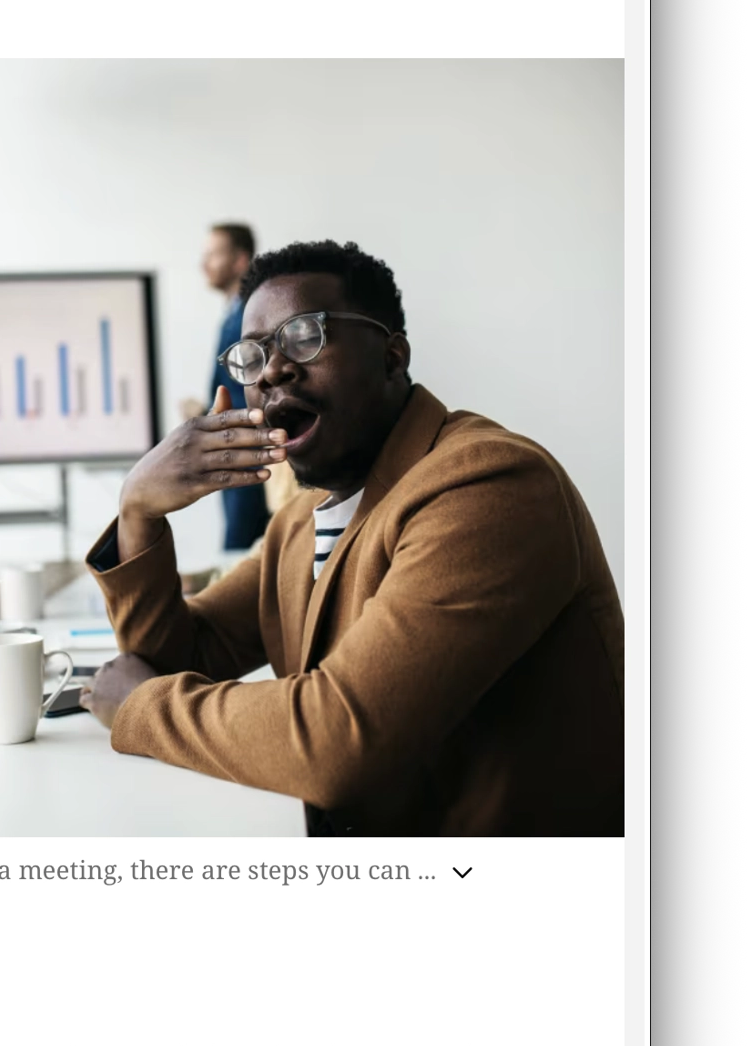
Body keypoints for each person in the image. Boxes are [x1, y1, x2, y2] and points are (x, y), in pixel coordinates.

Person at [79, 240, 623, 838]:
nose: (274, 369)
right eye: (253, 353)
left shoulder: (488, 485)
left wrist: (142, 710)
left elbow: (336, 740)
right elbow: (172, 658)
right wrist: (138, 511)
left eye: (305, 336)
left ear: (393, 358)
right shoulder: (301, 519)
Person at [189, 224, 270, 552]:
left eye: (213, 254)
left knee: (240, 551)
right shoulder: (234, 314)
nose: (204, 264)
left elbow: (256, 388)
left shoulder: (250, 318)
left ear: (240, 260)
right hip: (238, 453)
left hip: (248, 455)